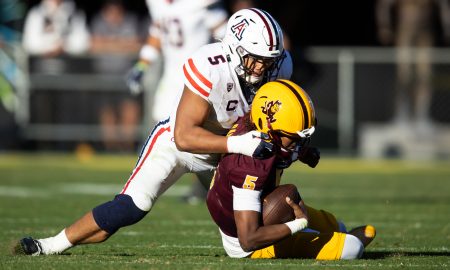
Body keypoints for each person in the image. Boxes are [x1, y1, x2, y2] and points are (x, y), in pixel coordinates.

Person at [15, 8, 294, 256]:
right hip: (176, 144)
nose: (262, 67)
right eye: (254, 59)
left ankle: (325, 234)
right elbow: (185, 136)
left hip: (225, 153)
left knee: (259, 214)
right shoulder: (211, 66)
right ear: (234, 49)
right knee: (130, 209)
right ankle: (49, 244)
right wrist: (240, 145)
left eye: (268, 60)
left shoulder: (280, 67)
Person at [207, 80, 376, 259]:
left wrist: (301, 152)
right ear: (268, 128)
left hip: (263, 202)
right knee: (352, 247)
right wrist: (299, 224)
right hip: (249, 242)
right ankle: (312, 233)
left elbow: (282, 144)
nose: (298, 144)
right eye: (293, 137)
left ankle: (326, 232)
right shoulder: (250, 165)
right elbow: (248, 239)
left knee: (336, 227)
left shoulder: (258, 125)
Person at [127, 0, 228, 201]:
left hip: (198, 77)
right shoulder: (158, 4)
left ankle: (213, 186)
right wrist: (141, 65)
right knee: (162, 129)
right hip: (171, 78)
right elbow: (157, 34)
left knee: (201, 131)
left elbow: (227, 34)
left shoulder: (200, 6)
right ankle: (147, 182)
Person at [376, 0, 450, 128]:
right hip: (405, 31)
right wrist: (384, 26)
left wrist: (447, 27)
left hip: (425, 32)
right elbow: (383, 5)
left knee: (425, 74)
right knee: (404, 73)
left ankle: (422, 114)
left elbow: (443, 6)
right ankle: (402, 113)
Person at [90, 0, 142, 151]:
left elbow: (137, 45)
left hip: (127, 76)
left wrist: (108, 44)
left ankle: (126, 148)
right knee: (107, 114)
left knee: (129, 111)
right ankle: (111, 149)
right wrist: (121, 44)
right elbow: (93, 45)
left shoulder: (130, 20)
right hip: (104, 76)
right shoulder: (98, 22)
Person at [22, 0, 90, 57]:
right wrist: (51, 47)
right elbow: (30, 43)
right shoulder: (36, 13)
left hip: (70, 64)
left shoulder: (75, 12)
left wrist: (63, 46)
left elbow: (83, 42)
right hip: (41, 65)